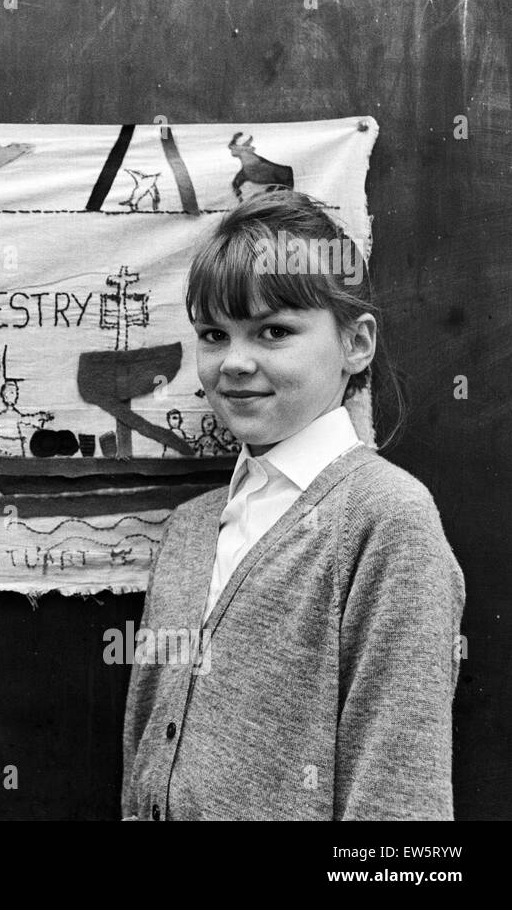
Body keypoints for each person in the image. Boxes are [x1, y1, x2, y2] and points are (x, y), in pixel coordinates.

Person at [121, 189, 465, 820]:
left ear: (356, 345)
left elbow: (399, 794)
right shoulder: (191, 530)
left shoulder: (387, 521)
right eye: (213, 335)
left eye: (274, 332)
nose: (235, 362)